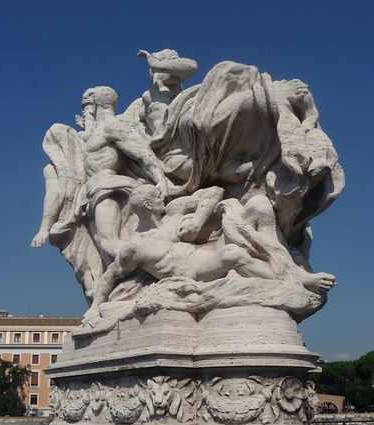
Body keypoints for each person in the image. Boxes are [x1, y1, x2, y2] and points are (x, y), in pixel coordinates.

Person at [86, 185, 336, 317]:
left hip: (211, 250)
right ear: (148, 204)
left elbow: (214, 192)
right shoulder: (136, 246)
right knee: (233, 254)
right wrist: (95, 308)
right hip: (194, 272)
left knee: (258, 205)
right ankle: (294, 281)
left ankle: (292, 271)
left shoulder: (172, 215)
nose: (163, 198)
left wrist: (197, 221)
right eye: (157, 197)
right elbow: (111, 275)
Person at [82, 86, 173, 263]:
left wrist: (160, 180)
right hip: (93, 190)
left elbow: (142, 153)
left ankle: (161, 261)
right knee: (104, 248)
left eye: (87, 104)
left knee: (110, 244)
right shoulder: (98, 130)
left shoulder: (111, 126)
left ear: (95, 104)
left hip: (106, 187)